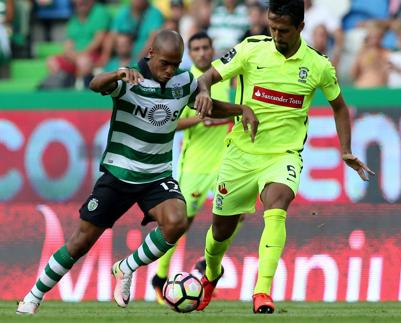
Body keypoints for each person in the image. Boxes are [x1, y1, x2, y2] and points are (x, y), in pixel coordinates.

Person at [16, 29, 258, 315]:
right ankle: (33, 295)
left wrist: (238, 109)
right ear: (150, 54)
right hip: (119, 174)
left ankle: (126, 268)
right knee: (81, 241)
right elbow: (95, 84)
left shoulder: (184, 81)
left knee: (177, 221)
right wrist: (118, 74)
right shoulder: (130, 79)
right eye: (164, 63)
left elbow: (208, 105)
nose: (170, 71)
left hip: (156, 176)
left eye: (175, 63)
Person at [193, 0, 374, 314]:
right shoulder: (251, 49)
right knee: (220, 233)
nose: (276, 34)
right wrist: (206, 92)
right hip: (241, 154)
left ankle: (262, 290)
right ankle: (211, 273)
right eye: (272, 27)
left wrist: (345, 148)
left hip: (284, 154)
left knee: (277, 203)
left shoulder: (318, 65)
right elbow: (205, 78)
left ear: (301, 28)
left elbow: (340, 106)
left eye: (284, 30)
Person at [150, 31, 239, 304]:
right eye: (196, 49)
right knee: (179, 225)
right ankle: (160, 278)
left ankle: (205, 264)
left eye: (205, 47)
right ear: (190, 53)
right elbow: (170, 123)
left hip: (225, 163)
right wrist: (201, 118)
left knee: (237, 215)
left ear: (212, 49)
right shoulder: (182, 83)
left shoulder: (223, 80)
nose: (201, 52)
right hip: (195, 167)